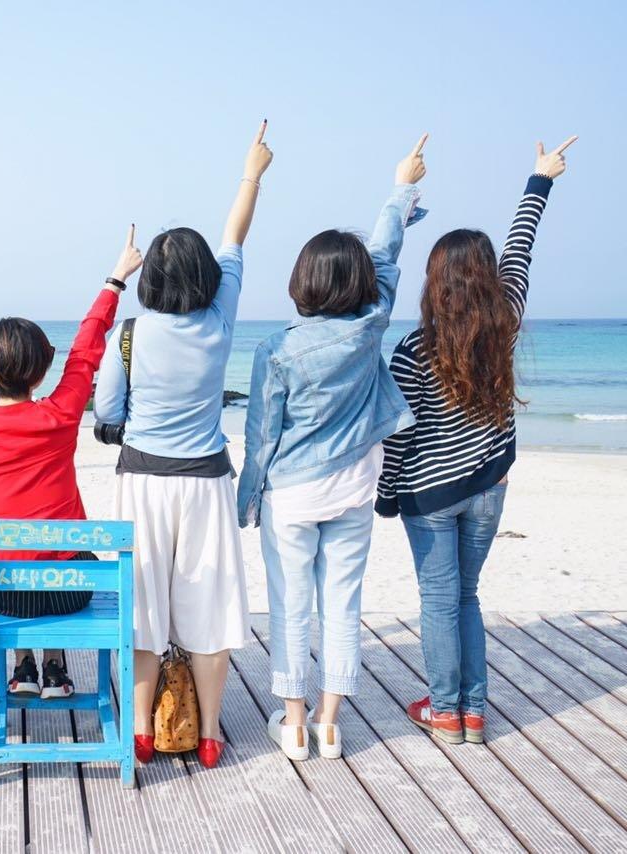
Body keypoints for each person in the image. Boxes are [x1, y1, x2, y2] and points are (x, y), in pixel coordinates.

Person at [378, 137, 577, 745]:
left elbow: (396, 436)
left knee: (440, 599)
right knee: (467, 595)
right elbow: (522, 246)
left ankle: (445, 709)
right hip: (491, 485)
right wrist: (539, 179)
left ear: (436, 282)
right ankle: (470, 710)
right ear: (488, 278)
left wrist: (387, 496)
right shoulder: (506, 320)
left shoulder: (415, 349)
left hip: (431, 494)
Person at [237, 134, 429, 761]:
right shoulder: (372, 321)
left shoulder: (278, 350)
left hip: (292, 490)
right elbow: (386, 254)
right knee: (341, 603)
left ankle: (291, 725)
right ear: (361, 285)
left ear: (302, 280)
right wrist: (400, 188)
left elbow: (261, 436)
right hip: (354, 483)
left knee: (290, 603)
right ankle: (329, 723)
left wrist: (249, 497)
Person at [93, 120, 273, 769]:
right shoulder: (220, 323)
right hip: (204, 483)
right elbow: (235, 236)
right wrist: (252, 172)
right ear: (203, 277)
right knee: (207, 602)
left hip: (141, 480)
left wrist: (123, 423)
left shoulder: (130, 334)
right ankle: (210, 733)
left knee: (142, 602)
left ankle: (141, 730)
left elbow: (107, 407)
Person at [0, 226, 140, 702]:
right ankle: (55, 667)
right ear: (39, 372)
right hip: (68, 589)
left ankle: (24, 668)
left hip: (5, 589)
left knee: (5, 556)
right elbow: (85, 353)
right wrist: (115, 281)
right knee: (63, 559)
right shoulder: (59, 416)